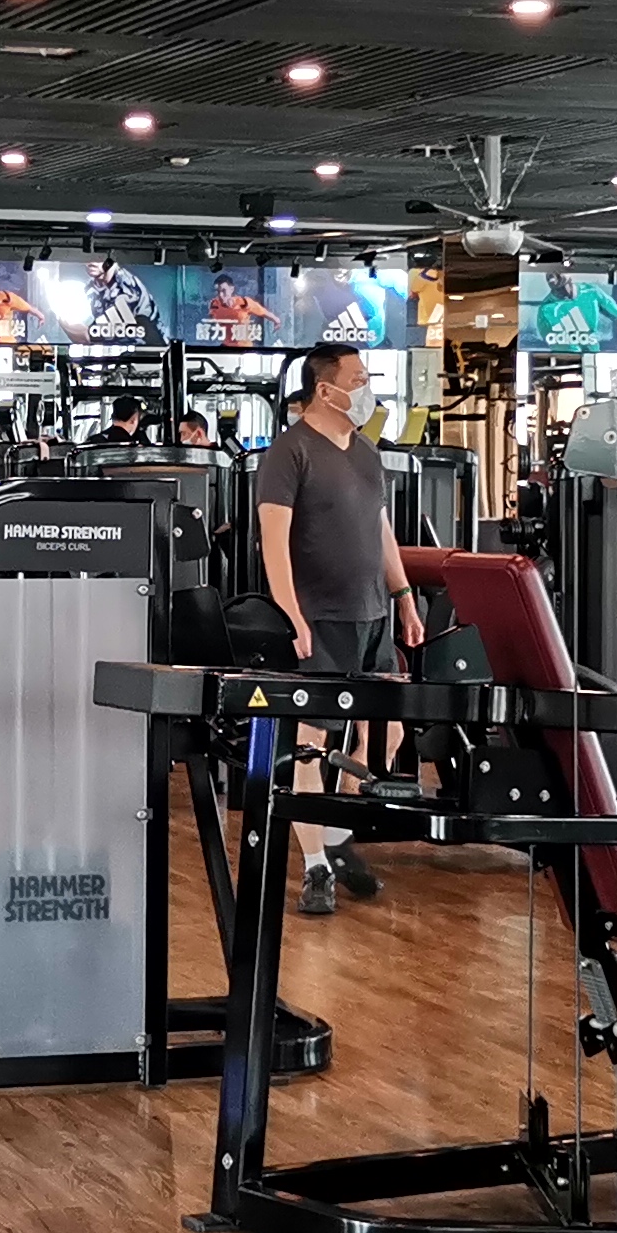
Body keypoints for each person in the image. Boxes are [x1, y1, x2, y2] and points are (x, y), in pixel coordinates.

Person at [254, 346, 422, 918]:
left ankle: (336, 834)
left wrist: (403, 596)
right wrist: (291, 615)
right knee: (312, 742)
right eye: (359, 379)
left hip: (372, 615)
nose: (366, 388)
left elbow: (381, 530)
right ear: (326, 390)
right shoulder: (289, 452)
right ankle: (316, 866)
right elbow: (274, 544)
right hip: (319, 620)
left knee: (389, 733)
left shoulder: (367, 453)